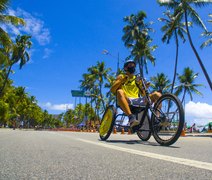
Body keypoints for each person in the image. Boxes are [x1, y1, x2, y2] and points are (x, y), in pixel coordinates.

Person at [110, 60, 161, 129]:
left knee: (157, 94)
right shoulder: (121, 76)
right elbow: (112, 89)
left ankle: (157, 118)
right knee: (119, 91)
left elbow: (143, 94)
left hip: (138, 100)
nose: (133, 67)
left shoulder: (137, 79)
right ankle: (131, 117)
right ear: (125, 68)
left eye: (134, 65)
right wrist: (121, 80)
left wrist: (145, 87)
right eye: (130, 65)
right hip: (127, 100)